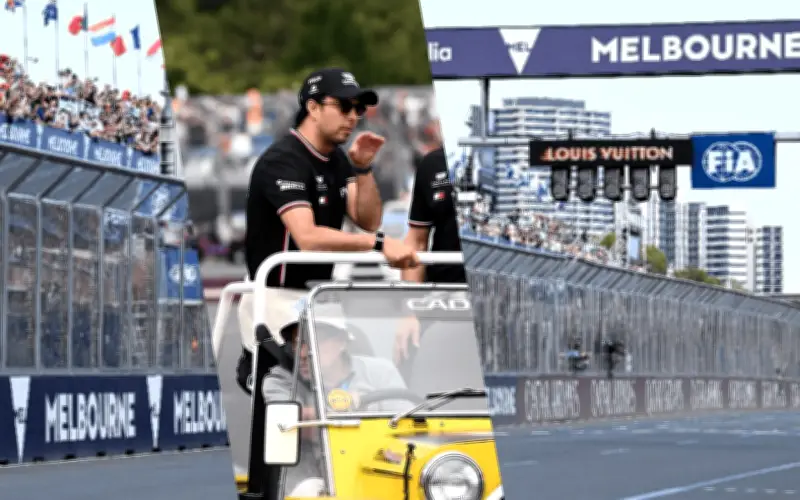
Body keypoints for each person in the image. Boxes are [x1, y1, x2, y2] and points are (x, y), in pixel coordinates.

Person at [235, 67, 420, 394]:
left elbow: (367, 219)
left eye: (359, 109)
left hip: (316, 299)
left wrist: (362, 169)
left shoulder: (336, 160)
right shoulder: (283, 160)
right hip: (275, 299)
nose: (354, 117)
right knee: (292, 407)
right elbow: (307, 237)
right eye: (345, 107)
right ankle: (254, 364)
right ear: (313, 107)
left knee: (352, 390)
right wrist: (379, 245)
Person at [262, 305, 410, 497]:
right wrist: (349, 405)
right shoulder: (281, 380)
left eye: (312, 342)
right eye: (296, 343)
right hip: (315, 476)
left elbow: (407, 426)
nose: (302, 353)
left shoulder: (380, 372)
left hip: (382, 468)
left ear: (341, 342)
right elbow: (288, 420)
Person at [393, 146, 467, 369]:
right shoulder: (432, 163)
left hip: (500, 295)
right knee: (409, 356)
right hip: (443, 297)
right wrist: (409, 312)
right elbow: (416, 241)